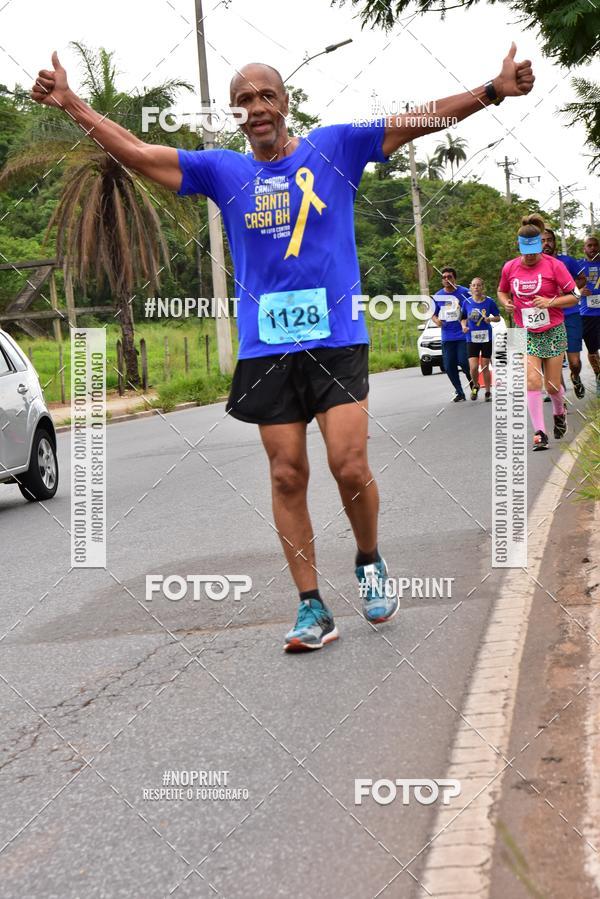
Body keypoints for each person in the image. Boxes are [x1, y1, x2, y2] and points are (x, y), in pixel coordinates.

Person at [31, 47, 535, 651]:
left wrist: (493, 88)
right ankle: (311, 607)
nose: (256, 107)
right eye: (243, 101)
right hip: (267, 348)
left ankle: (369, 560)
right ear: (235, 114)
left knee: (348, 464)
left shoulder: (335, 148)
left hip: (339, 336)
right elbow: (138, 154)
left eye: (265, 96)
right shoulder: (222, 171)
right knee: (287, 473)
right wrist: (71, 103)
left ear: (285, 103)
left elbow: (417, 119)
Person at [498, 215, 578, 451]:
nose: (531, 255)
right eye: (527, 250)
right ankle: (540, 433)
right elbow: (502, 291)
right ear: (520, 246)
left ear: (540, 245)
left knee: (552, 387)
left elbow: (575, 296)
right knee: (532, 381)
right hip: (523, 331)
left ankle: (559, 412)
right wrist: (506, 303)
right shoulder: (510, 267)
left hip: (553, 329)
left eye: (535, 250)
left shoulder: (555, 266)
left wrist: (551, 302)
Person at [541, 228, 587, 398]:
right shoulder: (534, 266)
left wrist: (569, 288)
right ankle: (560, 399)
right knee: (554, 360)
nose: (546, 243)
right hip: (547, 317)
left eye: (549, 240)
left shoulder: (567, 261)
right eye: (542, 240)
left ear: (555, 242)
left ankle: (575, 376)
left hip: (570, 313)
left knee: (574, 362)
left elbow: (583, 279)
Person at [432, 267, 471, 401]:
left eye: (450, 277)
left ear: (455, 278)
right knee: (449, 366)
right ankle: (459, 392)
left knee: (464, 362)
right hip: (447, 336)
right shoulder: (437, 296)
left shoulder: (465, 292)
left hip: (462, 335)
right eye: (444, 277)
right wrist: (436, 320)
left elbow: (474, 306)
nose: (447, 279)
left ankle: (473, 382)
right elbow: (433, 313)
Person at [460, 277, 501, 401]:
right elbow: (463, 318)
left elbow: (498, 317)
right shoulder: (466, 302)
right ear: (470, 287)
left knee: (485, 366)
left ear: (483, 287)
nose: (476, 287)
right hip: (471, 337)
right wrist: (463, 326)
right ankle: (476, 385)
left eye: (478, 285)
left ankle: (488, 392)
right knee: (472, 367)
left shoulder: (489, 302)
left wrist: (490, 319)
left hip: (485, 337)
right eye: (474, 285)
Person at [578, 235, 600, 398]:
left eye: (595, 245)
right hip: (587, 315)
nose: (592, 248)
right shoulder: (579, 266)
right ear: (584, 248)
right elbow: (568, 287)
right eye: (589, 245)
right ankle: (599, 376)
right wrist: (578, 291)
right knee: (592, 351)